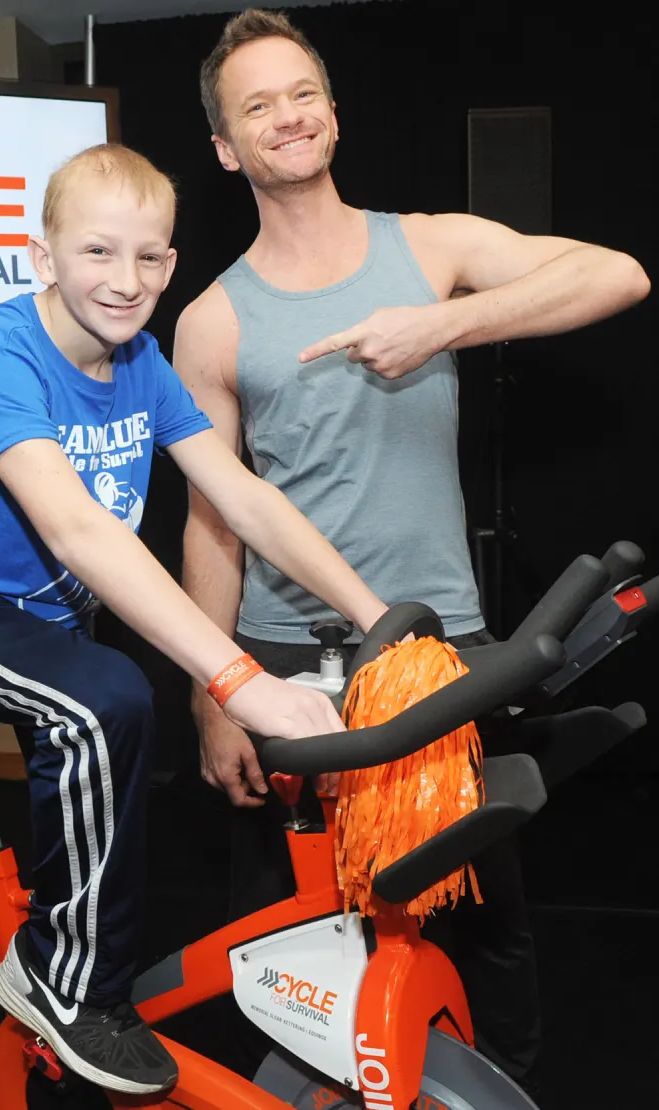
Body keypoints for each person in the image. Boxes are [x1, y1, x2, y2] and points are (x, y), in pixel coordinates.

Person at [175, 9, 650, 1099]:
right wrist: (212, 695)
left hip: (437, 644)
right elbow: (209, 522)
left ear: (333, 114)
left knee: (478, 908)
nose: (286, 117)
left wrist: (439, 326)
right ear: (224, 148)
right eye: (256, 106)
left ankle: (488, 1082)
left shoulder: (429, 247)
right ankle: (316, 1080)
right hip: (284, 659)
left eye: (302, 93)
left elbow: (616, 274)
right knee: (284, 917)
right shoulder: (210, 322)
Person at [0, 143, 389, 1096]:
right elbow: (75, 530)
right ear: (45, 257)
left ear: (171, 265)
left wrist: (378, 615)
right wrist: (239, 679)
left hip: (46, 617)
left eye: (150, 257)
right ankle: (65, 981)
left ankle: (84, 954)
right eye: (99, 253)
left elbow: (245, 498)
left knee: (118, 703)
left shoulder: (142, 364)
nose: (126, 279)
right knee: (109, 700)